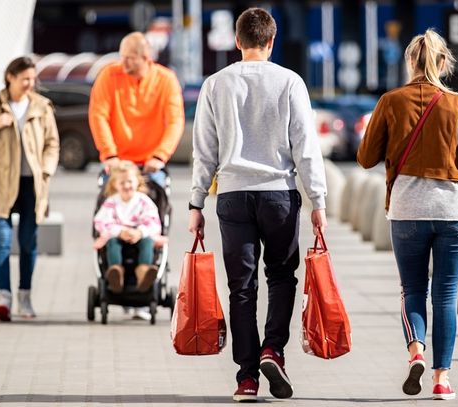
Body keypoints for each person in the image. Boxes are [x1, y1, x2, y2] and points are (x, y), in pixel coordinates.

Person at [188, 8, 327, 402]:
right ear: (272, 40)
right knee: (282, 277)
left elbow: (204, 151)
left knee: (241, 287)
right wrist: (318, 200)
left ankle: (246, 378)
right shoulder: (290, 82)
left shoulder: (215, 84)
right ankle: (273, 350)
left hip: (231, 196)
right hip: (279, 194)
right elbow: (306, 148)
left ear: (236, 41)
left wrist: (195, 203)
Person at [357, 29, 458, 401]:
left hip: (407, 211)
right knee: (446, 296)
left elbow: (365, 158)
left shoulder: (391, 101)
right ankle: (442, 379)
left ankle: (416, 349)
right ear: (440, 63)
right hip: (454, 213)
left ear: (409, 63)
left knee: (413, 289)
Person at [0, 56, 60, 322]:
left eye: (33, 79)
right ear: (10, 77)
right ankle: (3, 297)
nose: (30, 84)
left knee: (28, 242)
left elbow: (52, 143)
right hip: (1, 184)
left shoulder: (42, 107)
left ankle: (25, 296)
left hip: (32, 185)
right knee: (1, 241)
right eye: (25, 79)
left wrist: (46, 171)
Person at [88, 31, 185, 187]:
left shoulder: (166, 80)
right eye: (122, 56)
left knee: (157, 202)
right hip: (118, 162)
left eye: (130, 58)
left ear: (146, 58)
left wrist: (160, 156)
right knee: (107, 204)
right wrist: (109, 155)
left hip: (151, 162)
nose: (123, 62)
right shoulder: (109, 75)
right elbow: (98, 115)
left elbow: (175, 121)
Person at [93, 160, 167, 293]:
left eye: (130, 182)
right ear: (114, 184)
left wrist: (139, 232)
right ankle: (116, 271)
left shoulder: (144, 201)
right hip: (117, 235)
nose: (126, 185)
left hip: (139, 235)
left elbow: (152, 220)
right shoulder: (111, 202)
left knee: (147, 242)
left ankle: (143, 271)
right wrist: (119, 231)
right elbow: (101, 221)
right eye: (122, 183)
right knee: (112, 243)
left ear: (137, 182)